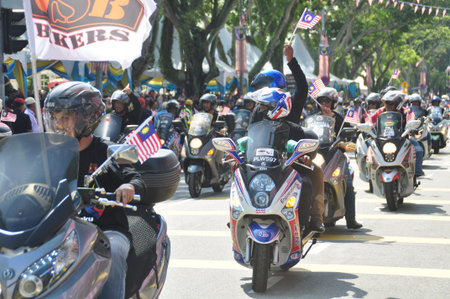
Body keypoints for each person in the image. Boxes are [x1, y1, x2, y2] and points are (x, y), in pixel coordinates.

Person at [43, 81, 146, 299]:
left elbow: (134, 177)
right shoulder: (47, 154)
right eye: (55, 117)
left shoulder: (105, 151)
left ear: (85, 118)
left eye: (65, 118)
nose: (58, 124)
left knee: (115, 252)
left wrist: (128, 186)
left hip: (105, 229)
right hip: (61, 230)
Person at [249, 44, 325, 232]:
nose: (260, 93)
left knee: (314, 173)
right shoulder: (258, 110)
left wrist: (291, 60)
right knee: (238, 175)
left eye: (263, 87)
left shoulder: (290, 102)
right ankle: (239, 211)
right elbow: (250, 136)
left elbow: (303, 87)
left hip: (289, 160)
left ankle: (315, 217)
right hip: (260, 161)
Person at [314, 87, 363, 229]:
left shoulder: (340, 119)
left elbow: (349, 134)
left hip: (336, 155)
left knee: (347, 183)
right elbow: (305, 131)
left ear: (334, 103)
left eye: (327, 101)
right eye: (321, 100)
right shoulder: (313, 118)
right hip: (317, 155)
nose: (324, 103)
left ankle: (351, 219)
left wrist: (345, 142)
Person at [369, 90, 425, 177]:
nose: (387, 106)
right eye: (385, 103)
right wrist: (366, 126)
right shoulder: (380, 111)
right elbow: (369, 120)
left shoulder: (406, 111)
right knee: (368, 151)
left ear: (398, 103)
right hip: (381, 140)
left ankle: (416, 174)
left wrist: (414, 124)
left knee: (418, 150)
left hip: (402, 140)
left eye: (390, 103)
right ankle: (370, 176)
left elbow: (412, 119)